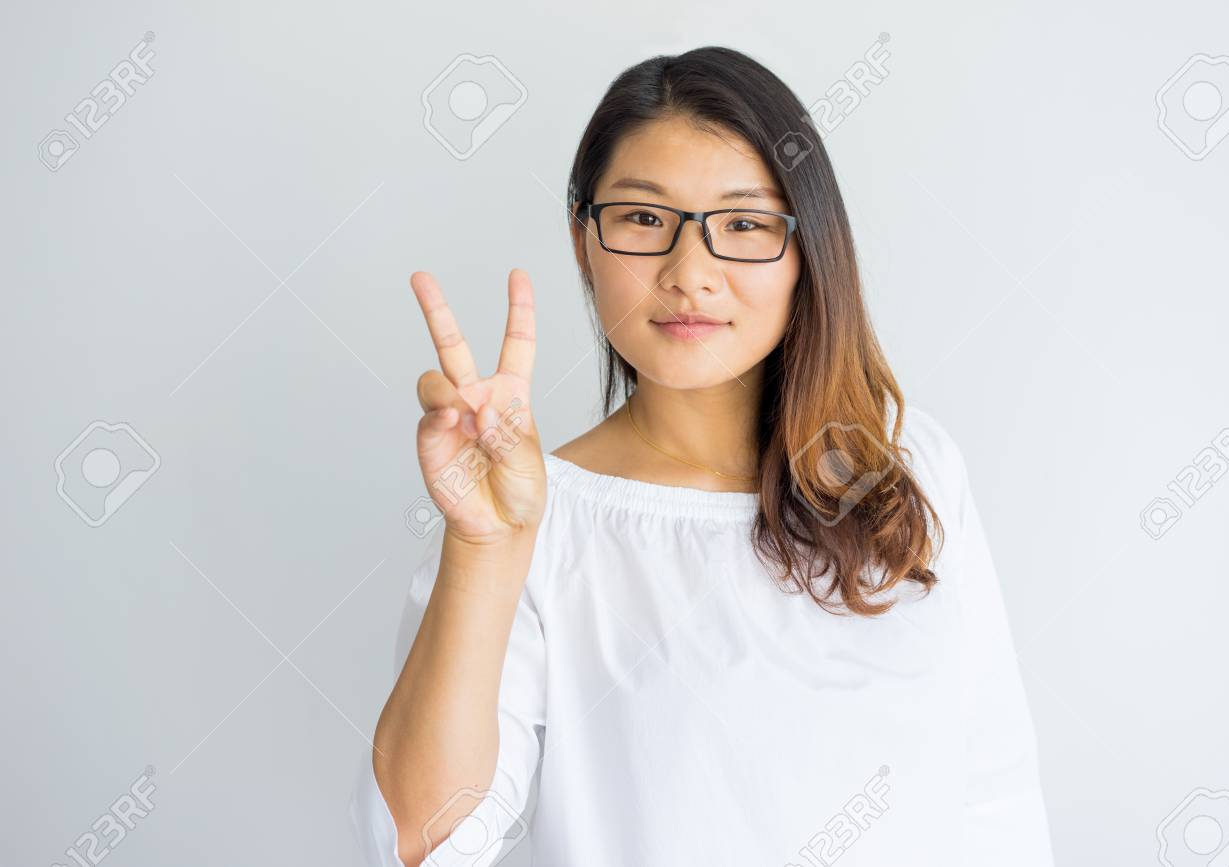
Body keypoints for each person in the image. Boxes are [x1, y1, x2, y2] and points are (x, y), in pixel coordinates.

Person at [351, 45, 1054, 866]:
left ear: (807, 250)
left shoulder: (914, 470)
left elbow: (995, 794)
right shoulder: (532, 522)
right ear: (585, 241)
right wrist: (483, 549)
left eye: (744, 224)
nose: (691, 274)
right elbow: (420, 842)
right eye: (645, 219)